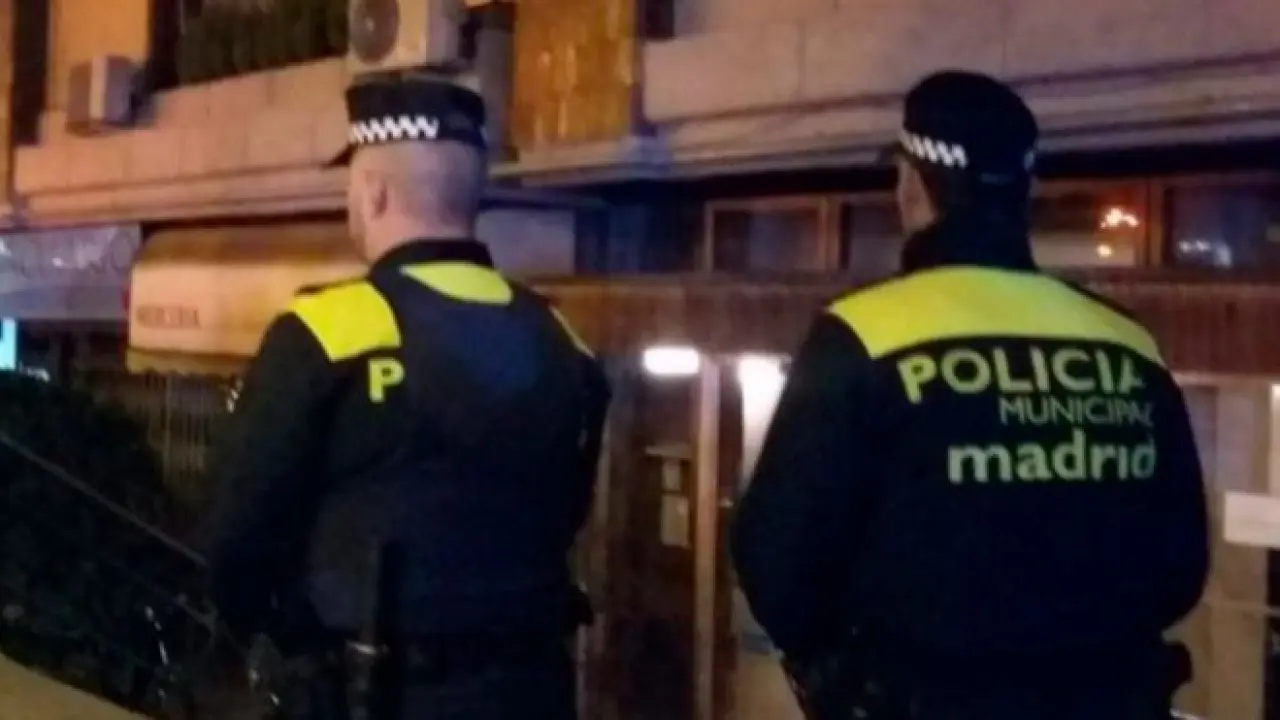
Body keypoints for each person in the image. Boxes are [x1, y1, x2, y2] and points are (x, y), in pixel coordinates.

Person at [731, 70, 1209, 719]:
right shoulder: (1128, 346)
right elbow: (1180, 568)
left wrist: (849, 673)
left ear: (911, 186)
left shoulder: (862, 337)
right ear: (1027, 189)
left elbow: (777, 560)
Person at [207, 72, 609, 720]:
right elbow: (567, 514)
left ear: (374, 193)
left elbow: (238, 541)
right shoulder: (562, 343)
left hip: (370, 697)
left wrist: (284, 640)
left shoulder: (327, 334)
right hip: (530, 693)